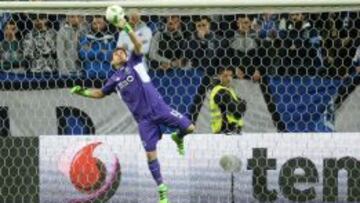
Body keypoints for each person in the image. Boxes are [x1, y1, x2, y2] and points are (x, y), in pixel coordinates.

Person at [70, 15, 195, 203]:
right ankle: (161, 187)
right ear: (111, 61)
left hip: (160, 109)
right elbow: (99, 94)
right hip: (144, 120)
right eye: (115, 53)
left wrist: (127, 27)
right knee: (150, 155)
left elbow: (137, 45)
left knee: (190, 128)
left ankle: (178, 136)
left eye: (122, 52)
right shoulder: (113, 80)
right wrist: (82, 92)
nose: (119, 53)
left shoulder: (134, 63)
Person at [209, 67, 246, 134]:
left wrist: (241, 105)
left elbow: (242, 106)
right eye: (225, 76)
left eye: (231, 76)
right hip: (224, 132)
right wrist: (241, 105)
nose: (229, 79)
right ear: (219, 77)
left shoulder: (229, 90)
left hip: (232, 131)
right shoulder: (220, 91)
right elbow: (237, 111)